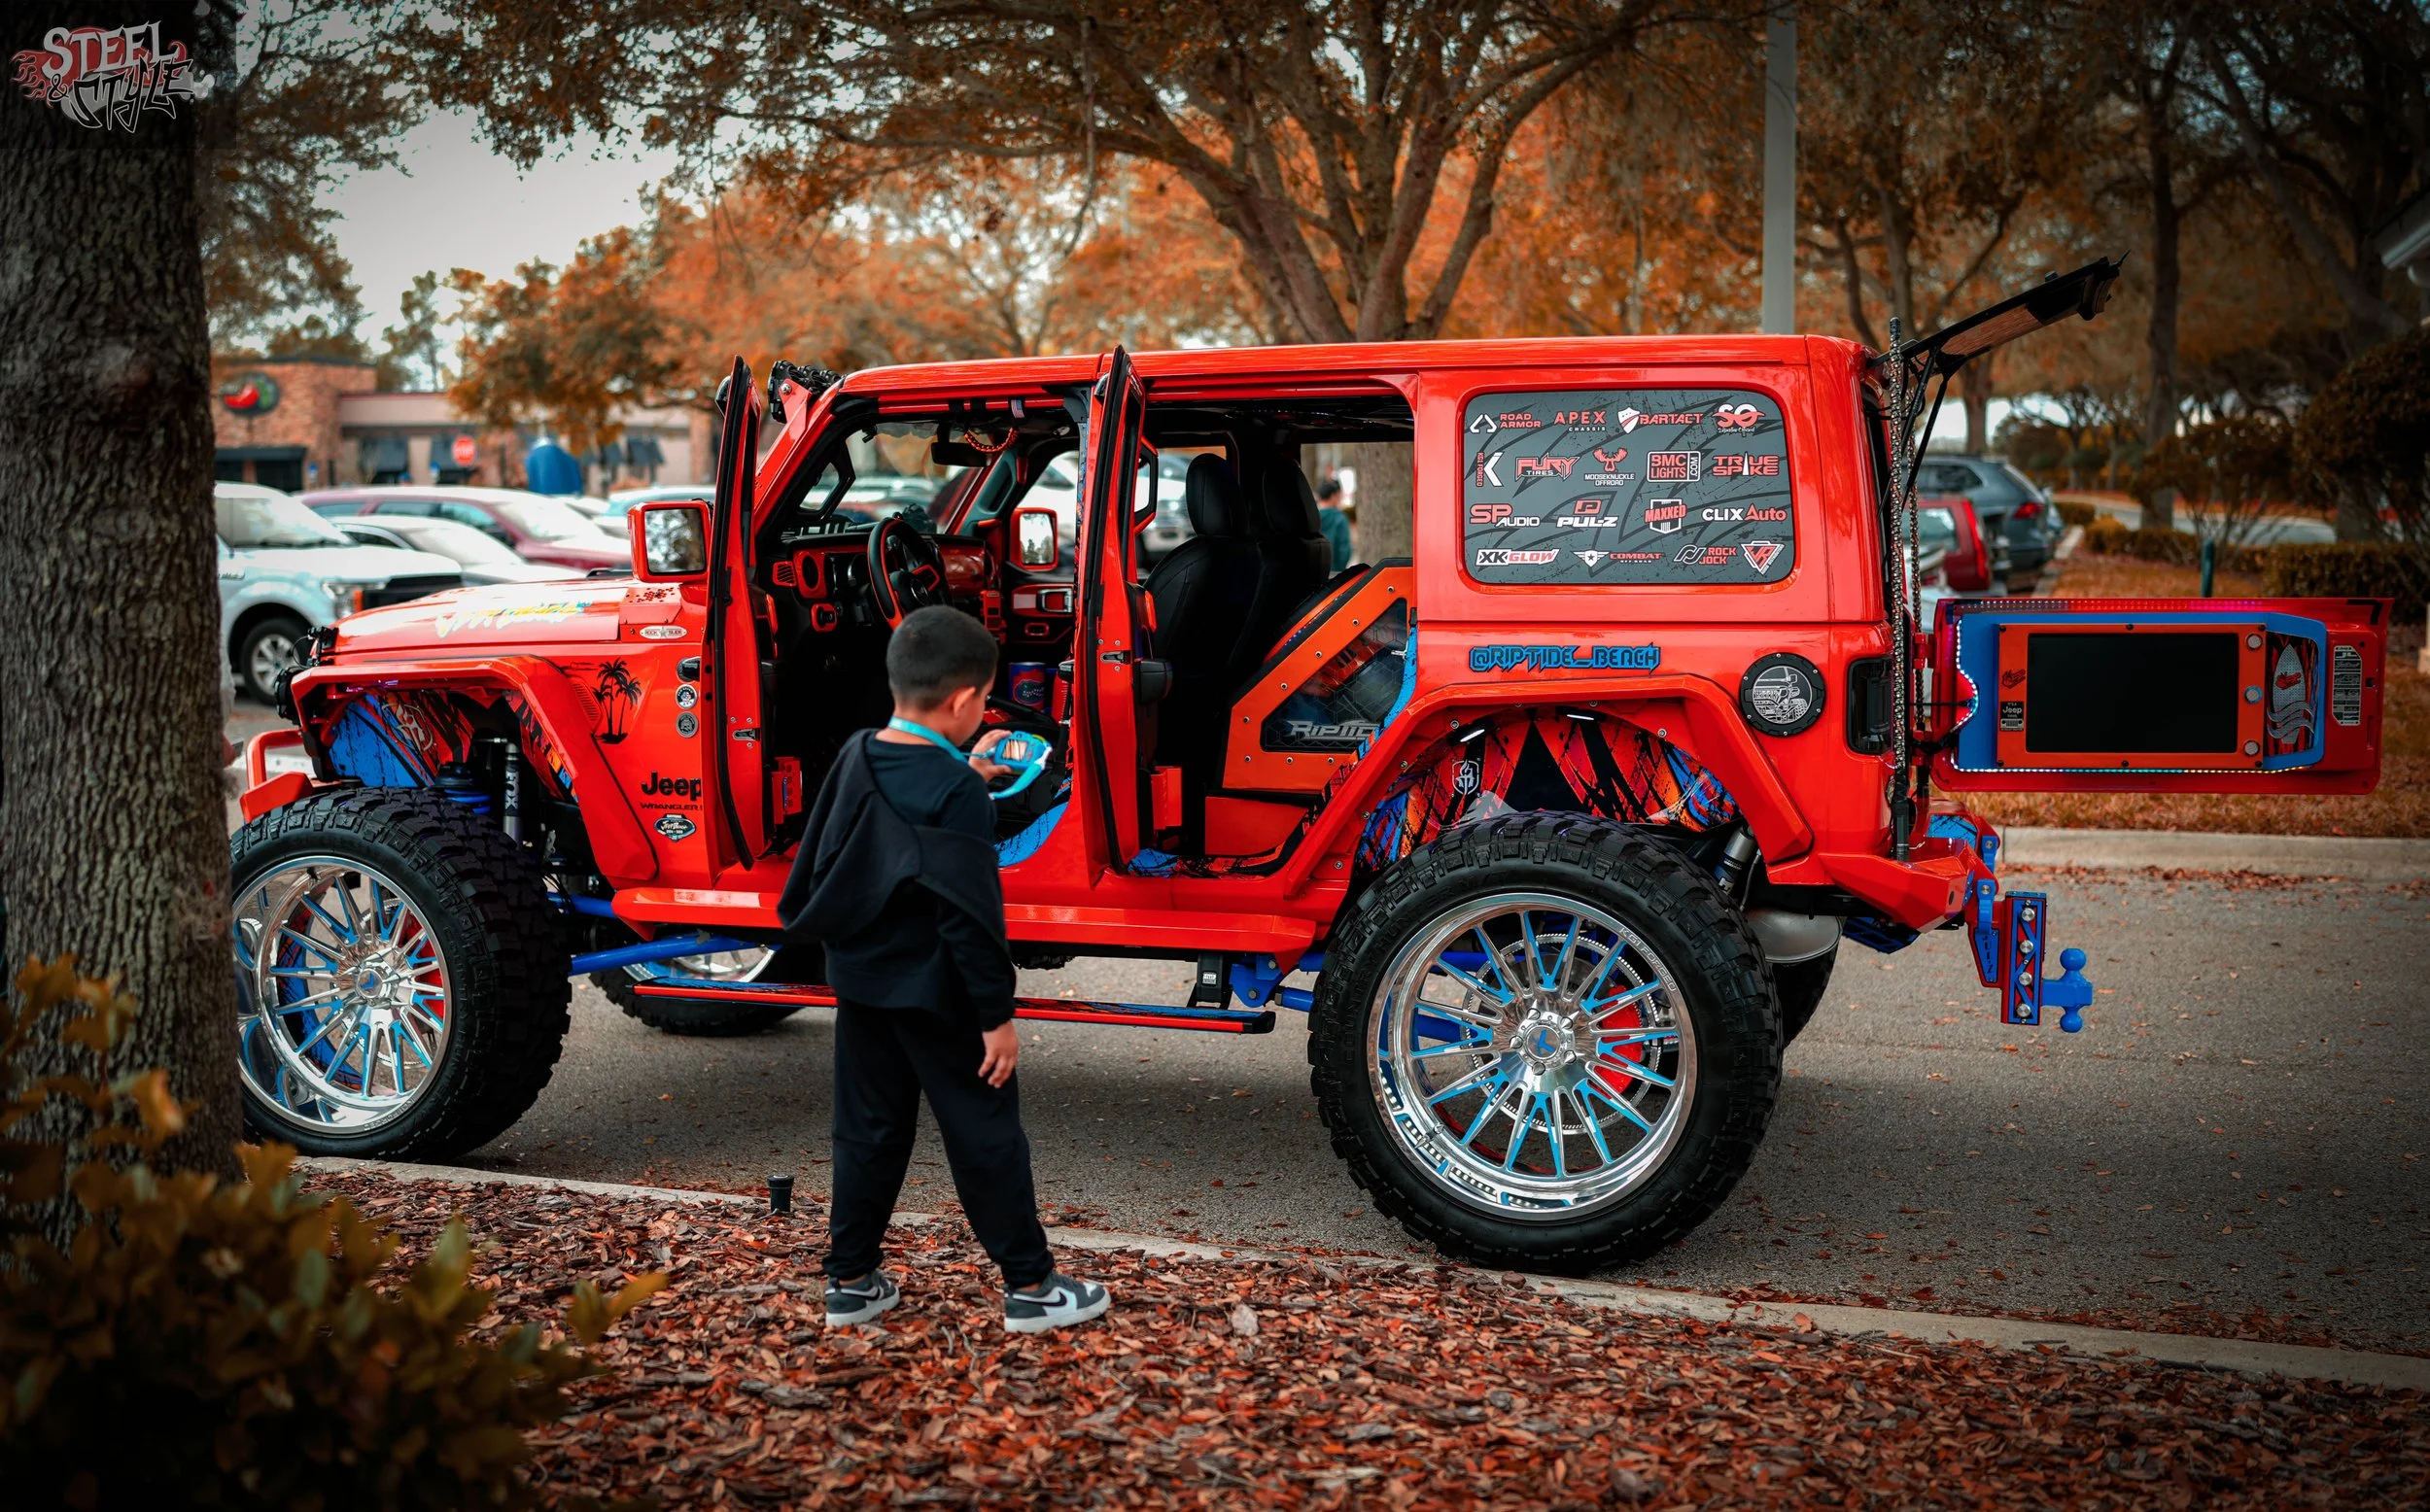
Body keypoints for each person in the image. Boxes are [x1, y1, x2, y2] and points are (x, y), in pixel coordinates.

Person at [778, 604, 1110, 1333]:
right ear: (964, 702)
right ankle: (1031, 1288)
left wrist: (965, 768)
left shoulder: (860, 752)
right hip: (942, 996)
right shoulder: (958, 793)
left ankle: (851, 1280)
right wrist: (997, 1017)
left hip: (863, 981)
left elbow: (876, 825)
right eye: (983, 702)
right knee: (984, 1132)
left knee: (866, 1131)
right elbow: (969, 916)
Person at [1314, 475, 1355, 571]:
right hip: (1335, 572)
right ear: (1333, 496)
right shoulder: (1339, 518)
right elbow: (1344, 549)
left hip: (1315, 572)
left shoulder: (1312, 517)